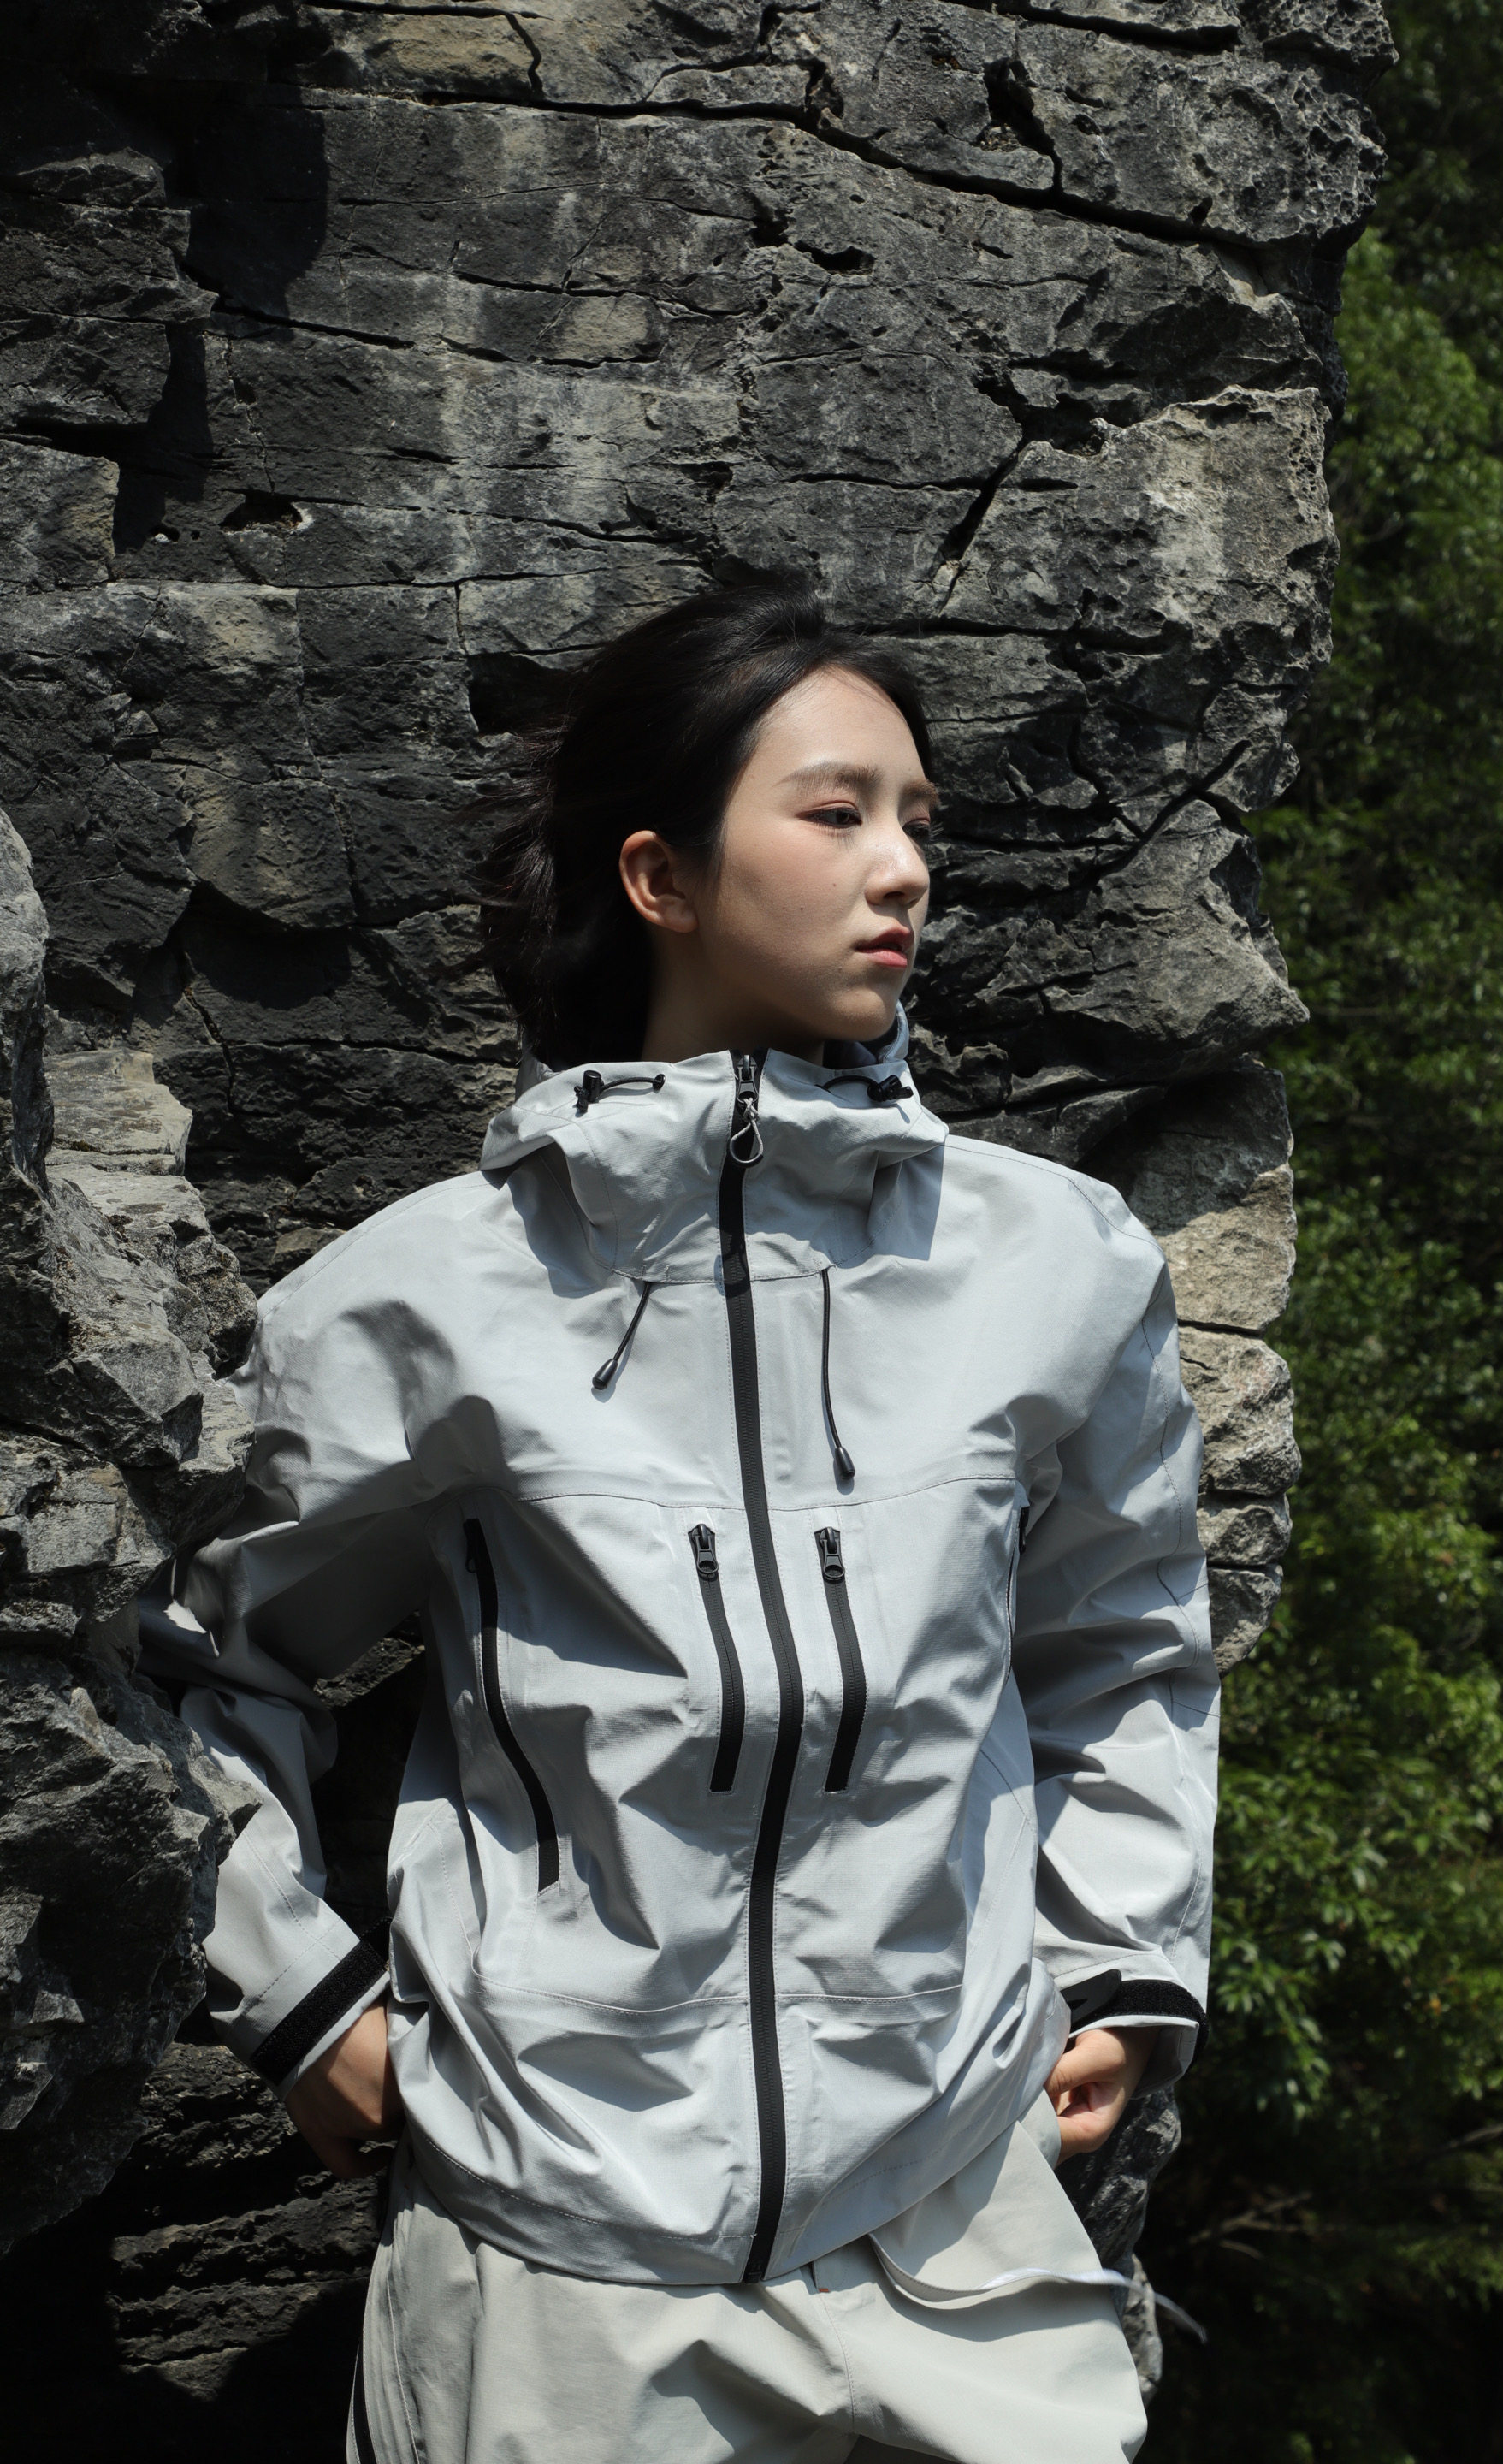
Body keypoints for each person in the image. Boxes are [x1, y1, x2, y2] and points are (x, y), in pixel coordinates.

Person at [141, 583, 1218, 2464]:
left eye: (920, 820)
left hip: (962, 2228)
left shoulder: (1058, 1262)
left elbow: (1121, 1643)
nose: (904, 869)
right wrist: (302, 2000)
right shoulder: (428, 1297)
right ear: (659, 876)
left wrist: (1123, 1960)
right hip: (560, 2276)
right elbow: (185, 1659)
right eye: (837, 812)